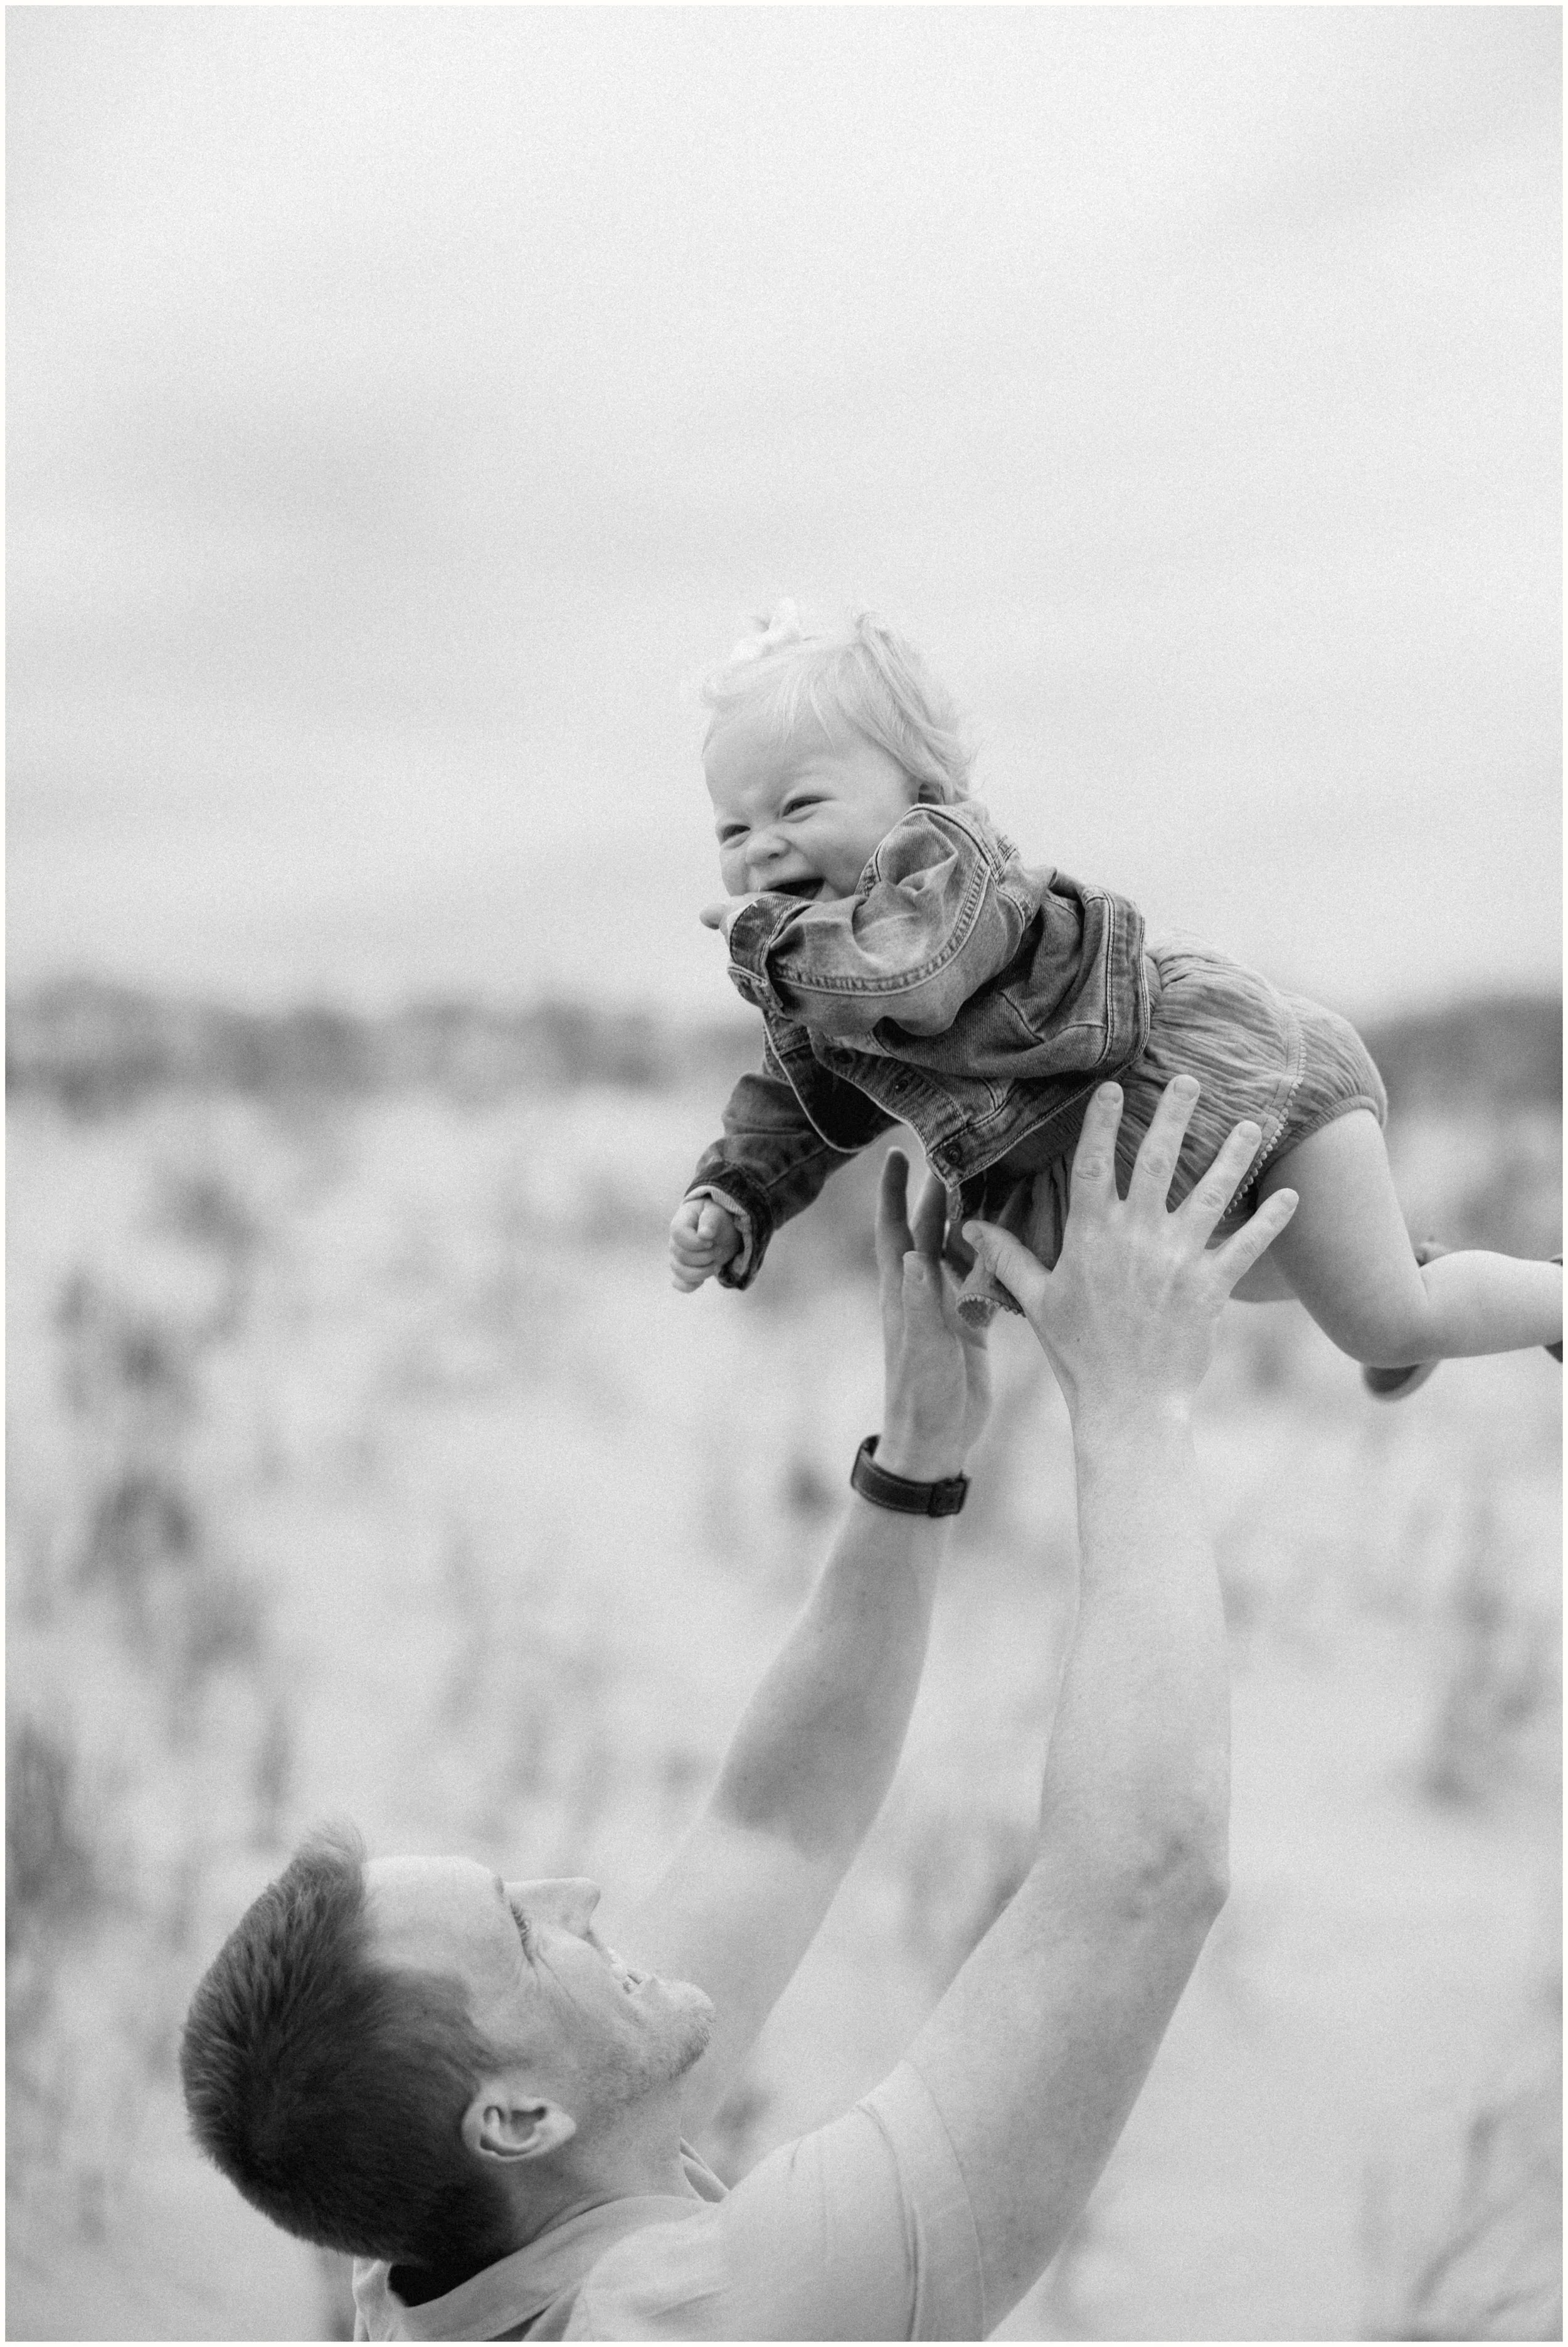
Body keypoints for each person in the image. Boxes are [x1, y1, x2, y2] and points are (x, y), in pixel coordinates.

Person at [183, 1079, 1291, 2339]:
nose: (578, 1897)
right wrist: (1136, 1400)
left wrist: (917, 1461)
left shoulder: (444, 2242)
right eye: (526, 1931)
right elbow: (1138, 1879)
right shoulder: (687, 2312)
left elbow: (774, 1824)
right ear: (513, 2118)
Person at [669, 605, 1562, 1401]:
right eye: (733, 829)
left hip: (1248, 1091)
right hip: (1165, 1170)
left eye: (797, 805)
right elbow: (792, 1102)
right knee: (1257, 1276)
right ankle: (1406, 1270)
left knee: (1384, 1322)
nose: (762, 847)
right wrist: (736, 1192)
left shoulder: (945, 873)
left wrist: (762, 943)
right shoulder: (816, 979)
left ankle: (1529, 1296)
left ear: (925, 797)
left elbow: (916, 976)